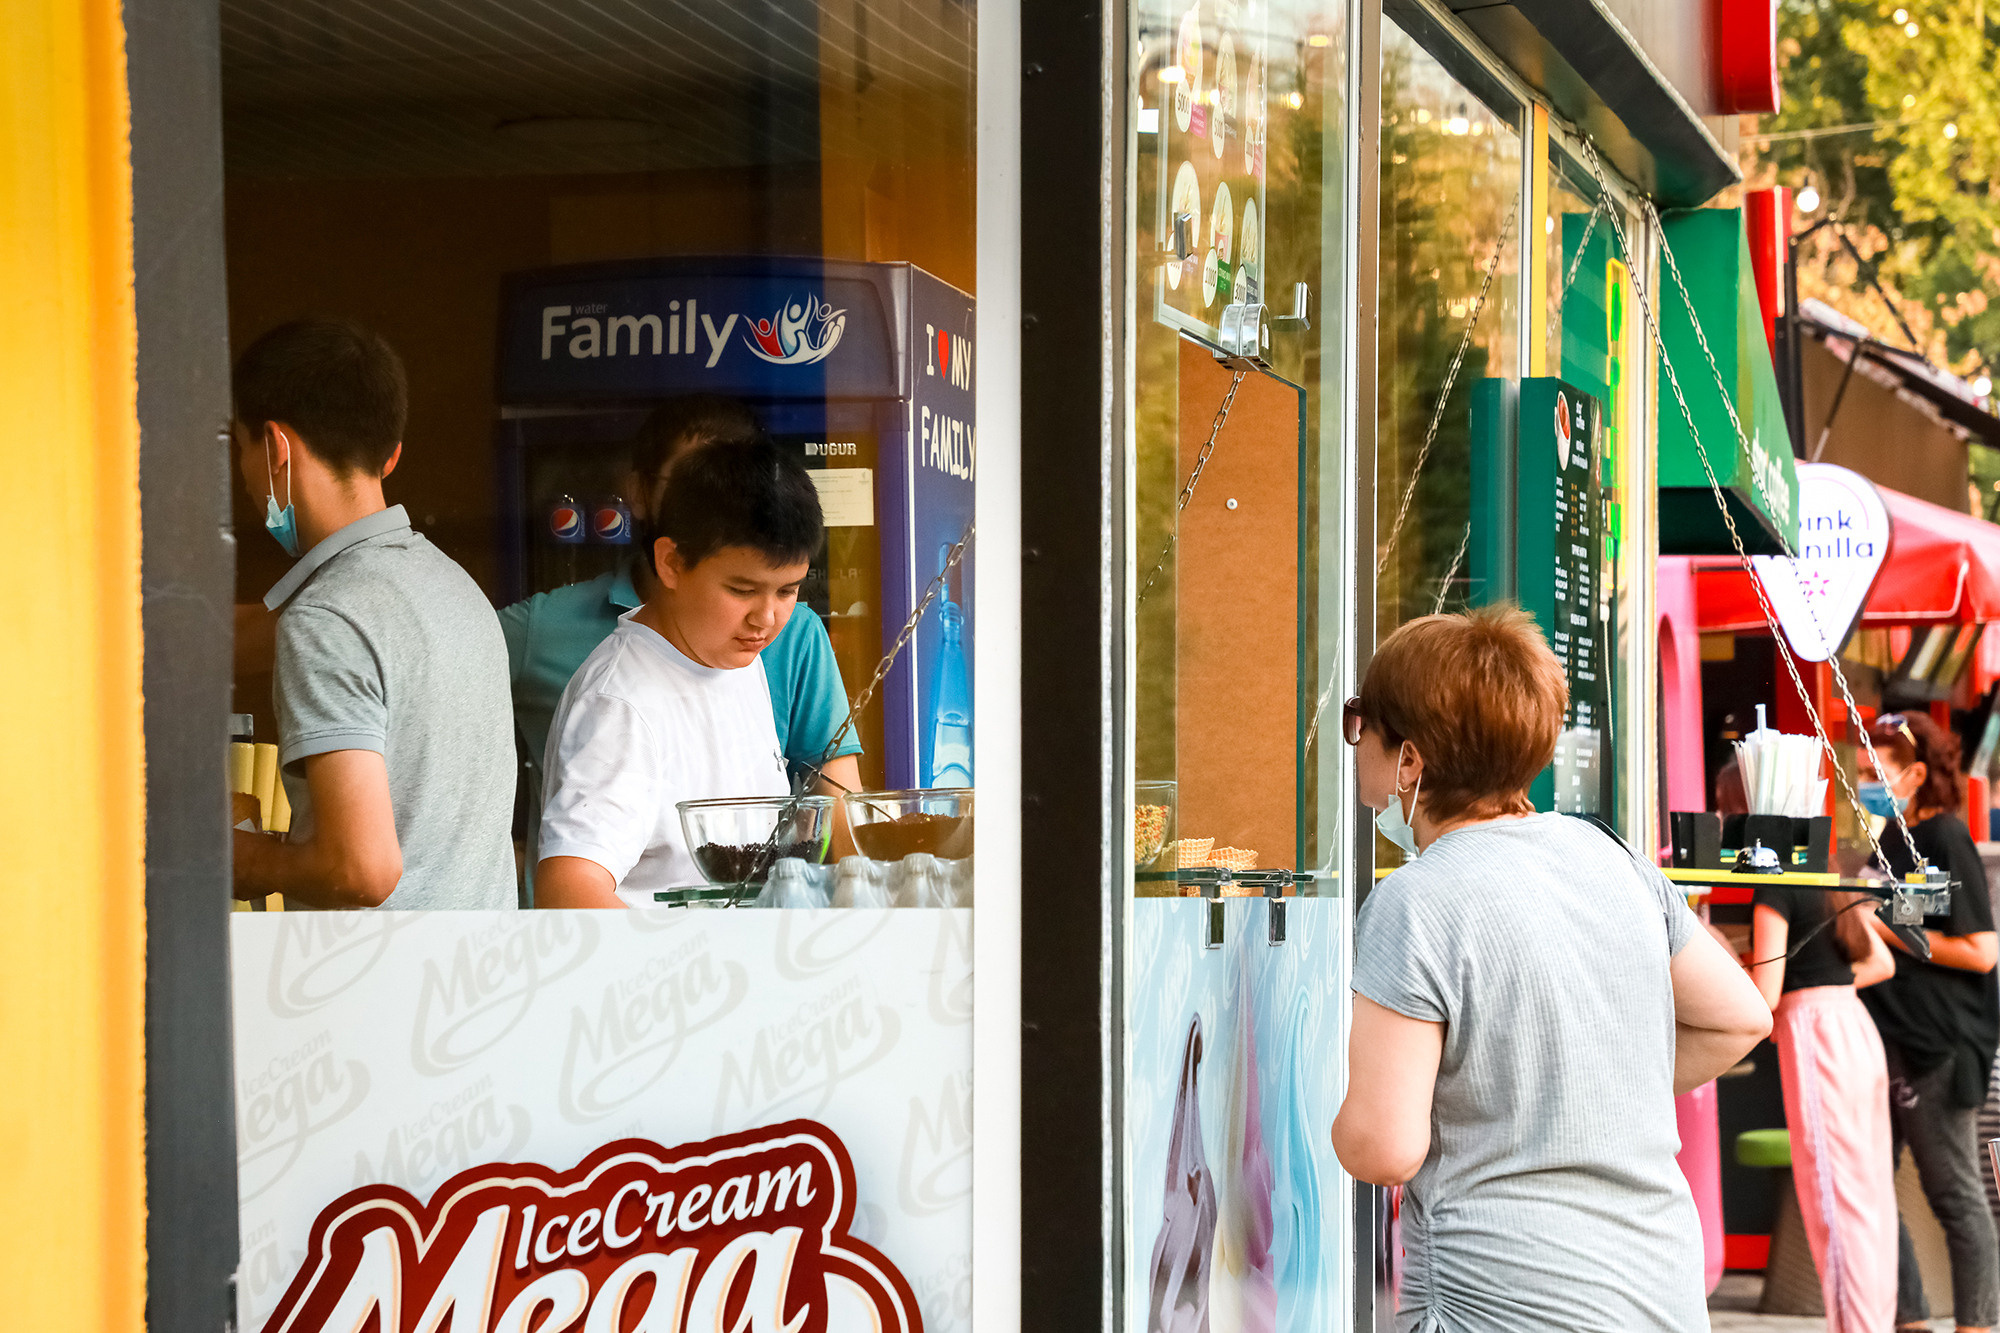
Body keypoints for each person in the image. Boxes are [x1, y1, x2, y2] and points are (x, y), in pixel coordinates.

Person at [1328, 605, 1771, 1332]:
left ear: (1409, 759)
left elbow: (1384, 1145)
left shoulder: (1414, 900)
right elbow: (1740, 1016)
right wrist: (1565, 1098)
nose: (1355, 749)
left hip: (1498, 1305)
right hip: (1659, 1296)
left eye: (1360, 725)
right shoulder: (1615, 859)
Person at [498, 397, 862, 894]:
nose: (767, 617)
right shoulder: (620, 705)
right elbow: (570, 890)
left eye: (788, 590)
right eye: (741, 590)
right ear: (670, 562)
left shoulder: (733, 654)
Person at [230, 318, 517, 910]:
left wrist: (241, 856)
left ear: (276, 448)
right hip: (481, 985)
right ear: (390, 456)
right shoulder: (457, 589)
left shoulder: (327, 618)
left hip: (378, 994)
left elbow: (361, 870)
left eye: (239, 448)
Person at [1857, 712, 1999, 1333]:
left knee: (1956, 1198)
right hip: (1886, 1043)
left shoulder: (1943, 837)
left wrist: (1884, 924)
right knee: (1871, 1189)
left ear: (1915, 773)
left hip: (1940, 1048)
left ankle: (1975, 1325)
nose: (1861, 782)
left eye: (1873, 772)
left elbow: (1979, 949)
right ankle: (1909, 1319)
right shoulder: (1890, 842)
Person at [1746, 876, 1898, 1331]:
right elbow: (1882, 962)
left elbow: (1764, 996)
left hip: (1817, 1037)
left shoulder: (1776, 888)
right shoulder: (1828, 875)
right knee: (1869, 1202)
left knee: (1835, 1203)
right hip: (1855, 1025)